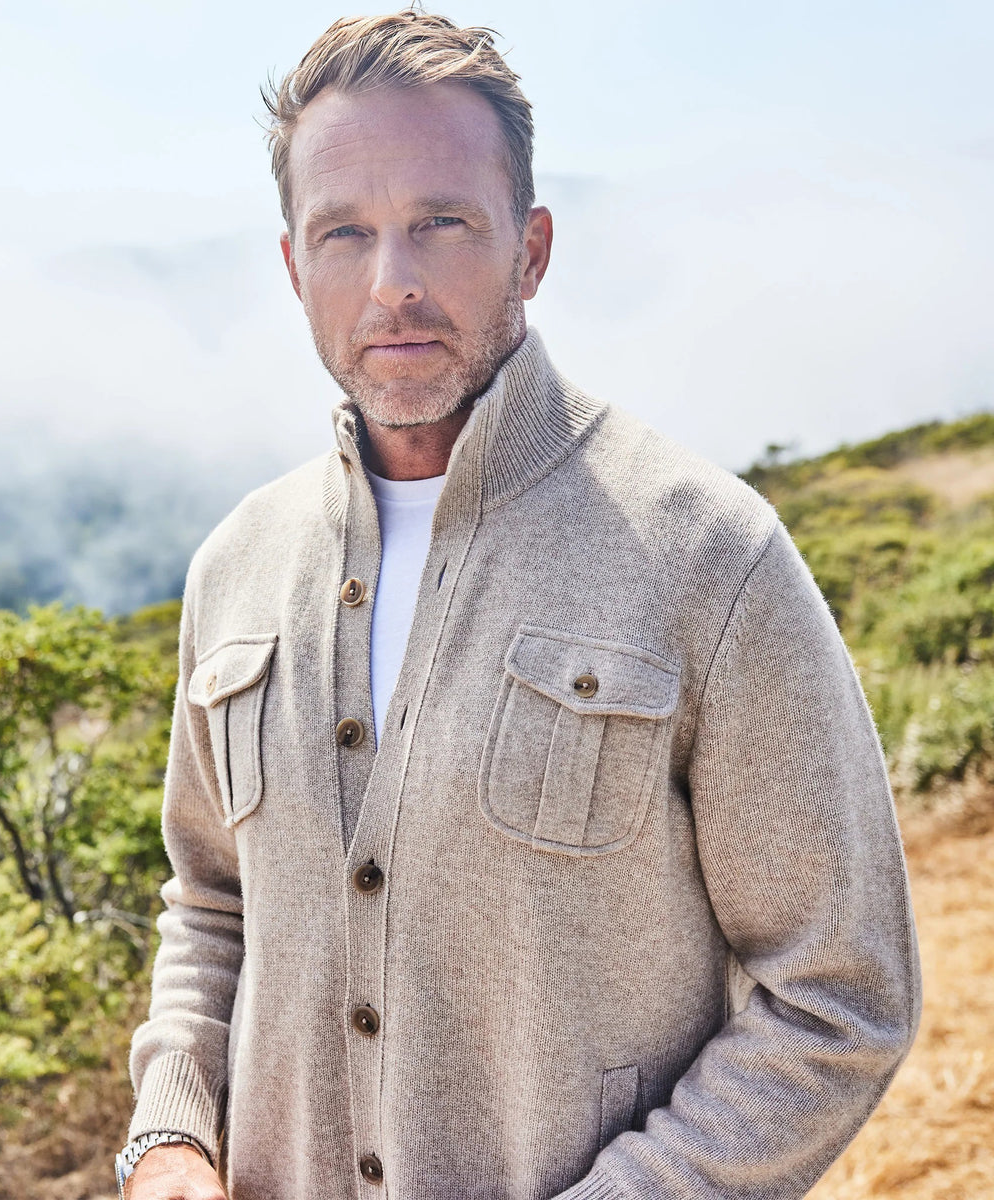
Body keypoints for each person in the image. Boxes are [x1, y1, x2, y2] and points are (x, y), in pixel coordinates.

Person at [115, 11, 921, 1200]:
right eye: (345, 233)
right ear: (294, 266)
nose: (392, 283)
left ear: (531, 249)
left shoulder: (711, 556)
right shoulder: (233, 567)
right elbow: (212, 902)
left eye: (441, 223)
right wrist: (172, 1134)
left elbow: (841, 994)